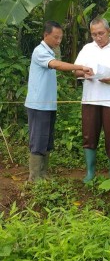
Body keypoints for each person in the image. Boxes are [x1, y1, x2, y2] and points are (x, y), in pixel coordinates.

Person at [25, 20, 93, 182]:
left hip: (48, 105)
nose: (58, 41)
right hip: (38, 105)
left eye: (60, 38)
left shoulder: (49, 51)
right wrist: (80, 67)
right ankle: (34, 177)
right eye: (56, 38)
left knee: (47, 140)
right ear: (46, 35)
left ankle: (43, 174)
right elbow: (56, 65)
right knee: (38, 139)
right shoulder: (39, 51)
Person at [74, 17, 110, 183]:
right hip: (90, 99)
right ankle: (90, 172)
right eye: (94, 34)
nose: (97, 37)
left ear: (109, 31)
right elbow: (76, 71)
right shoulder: (87, 49)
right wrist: (85, 72)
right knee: (89, 135)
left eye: (100, 33)